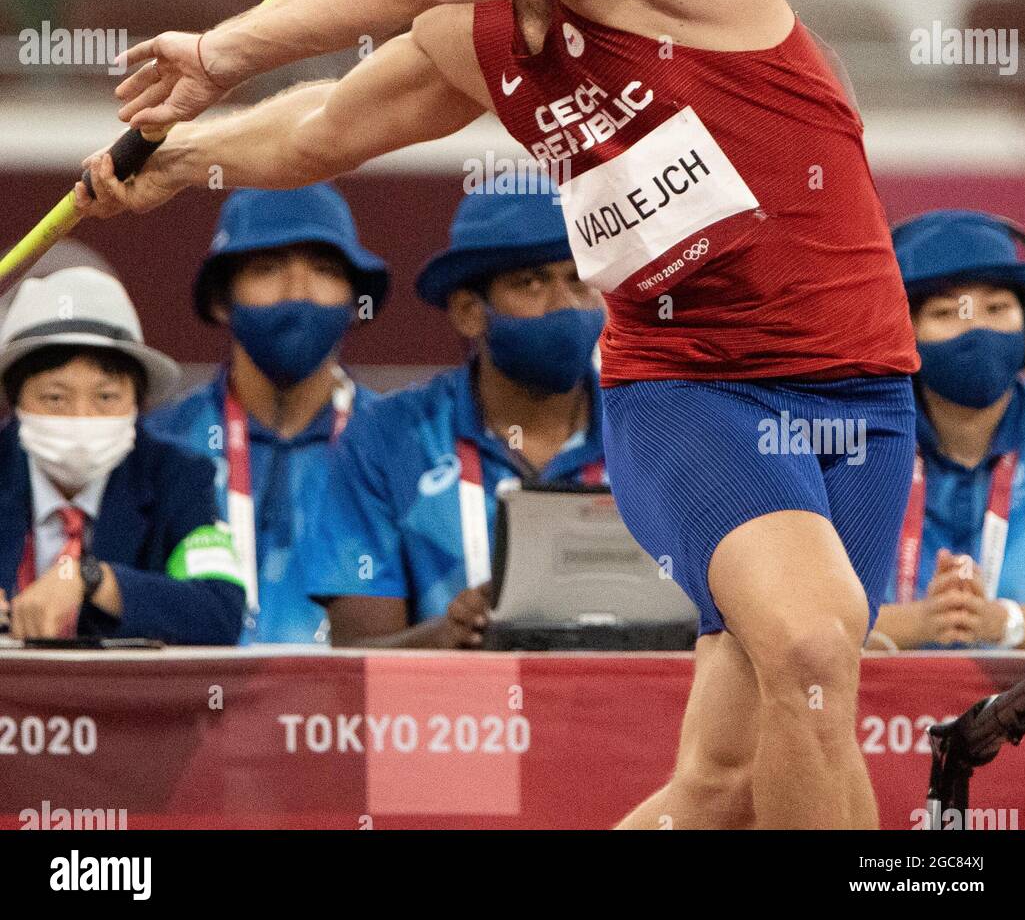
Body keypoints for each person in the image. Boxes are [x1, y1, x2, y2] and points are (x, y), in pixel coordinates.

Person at [75, 0, 918, 830]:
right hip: (689, 385)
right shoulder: (474, 36)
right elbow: (323, 125)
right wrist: (187, 153)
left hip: (857, 381)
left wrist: (220, 51)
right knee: (811, 653)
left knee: (726, 778)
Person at [306, 187, 607, 648]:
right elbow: (353, 661)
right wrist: (451, 636)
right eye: (531, 282)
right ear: (469, 312)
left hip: (631, 716)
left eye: (579, 280)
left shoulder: (658, 433)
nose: (565, 304)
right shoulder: (386, 440)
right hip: (446, 720)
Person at [147, 184, 389, 644]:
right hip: (192, 711)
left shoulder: (399, 444)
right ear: (221, 299)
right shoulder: (164, 443)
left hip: (349, 714)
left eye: (324, 269)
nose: (297, 292)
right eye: (267, 268)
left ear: (355, 301)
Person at [0, 268, 244, 644]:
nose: (82, 418)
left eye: (106, 397)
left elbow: (219, 612)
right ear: (16, 404)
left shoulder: (179, 478)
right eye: (55, 398)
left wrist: (90, 577)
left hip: (132, 703)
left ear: (137, 402)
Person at [868, 210, 1025, 653]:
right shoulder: (850, 445)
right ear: (904, 336)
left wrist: (1005, 621)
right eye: (947, 312)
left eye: (997, 308)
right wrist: (917, 623)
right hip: (879, 718)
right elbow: (788, 619)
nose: (976, 328)